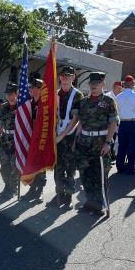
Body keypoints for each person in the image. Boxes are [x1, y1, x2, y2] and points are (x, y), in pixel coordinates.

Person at [74, 72, 119, 216]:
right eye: (91, 83)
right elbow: (81, 122)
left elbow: (113, 123)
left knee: (99, 176)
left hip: (100, 144)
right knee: (85, 174)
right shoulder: (84, 102)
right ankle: (90, 202)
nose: (93, 86)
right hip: (84, 142)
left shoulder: (108, 101)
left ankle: (100, 204)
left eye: (97, 83)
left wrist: (108, 143)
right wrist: (76, 140)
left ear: (102, 84)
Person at [50, 66, 84, 209]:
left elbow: (76, 119)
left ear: (73, 78)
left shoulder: (77, 95)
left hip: (69, 136)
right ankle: (59, 194)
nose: (65, 78)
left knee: (70, 168)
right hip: (56, 136)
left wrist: (62, 135)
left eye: (68, 76)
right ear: (59, 77)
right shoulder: (55, 94)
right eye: (63, 76)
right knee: (58, 167)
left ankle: (68, 196)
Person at [20, 78, 46, 202]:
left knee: (40, 165)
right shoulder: (29, 103)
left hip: (41, 139)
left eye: (33, 87)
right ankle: (32, 189)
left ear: (40, 89)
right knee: (30, 164)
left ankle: (39, 191)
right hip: (29, 138)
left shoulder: (44, 104)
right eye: (30, 87)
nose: (30, 89)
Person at [0, 82, 20, 198]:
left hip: (16, 139)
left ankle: (13, 188)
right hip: (4, 139)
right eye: (7, 94)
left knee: (14, 166)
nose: (9, 96)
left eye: (11, 94)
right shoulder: (3, 106)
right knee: (4, 166)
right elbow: (1, 122)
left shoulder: (22, 107)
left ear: (17, 94)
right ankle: (7, 185)